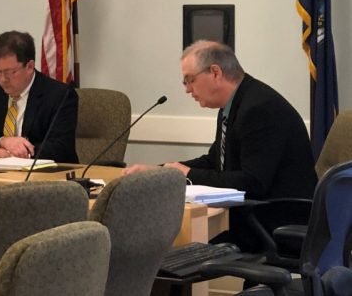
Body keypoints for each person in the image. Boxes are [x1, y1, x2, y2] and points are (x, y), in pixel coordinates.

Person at [124, 40, 317, 251]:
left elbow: (252, 182)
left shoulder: (260, 109)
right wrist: (161, 172)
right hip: (255, 215)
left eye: (190, 80)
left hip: (276, 221)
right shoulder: (235, 103)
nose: (188, 90)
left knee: (171, 247)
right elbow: (214, 161)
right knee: (167, 241)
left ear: (215, 73)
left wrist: (185, 174)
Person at [0, 30, 78, 163]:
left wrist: (9, 154)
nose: (3, 79)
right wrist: (3, 142)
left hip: (48, 177)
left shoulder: (60, 95)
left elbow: (59, 149)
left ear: (30, 66)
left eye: (9, 72)